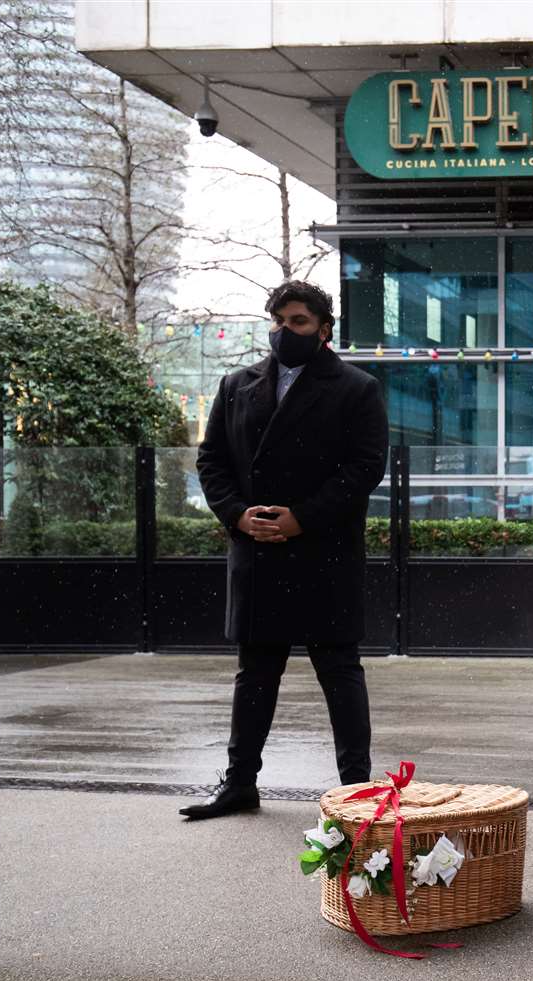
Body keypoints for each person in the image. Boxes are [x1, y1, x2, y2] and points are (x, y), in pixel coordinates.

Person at [181, 280, 389, 820]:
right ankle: (240, 784)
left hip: (323, 550)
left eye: (297, 322)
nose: (283, 331)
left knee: (340, 671)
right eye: (277, 321)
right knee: (255, 673)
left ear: (324, 330)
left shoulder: (356, 388)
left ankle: (357, 792)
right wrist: (236, 514)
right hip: (258, 549)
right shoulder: (237, 384)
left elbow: (364, 469)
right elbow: (212, 462)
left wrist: (302, 518)